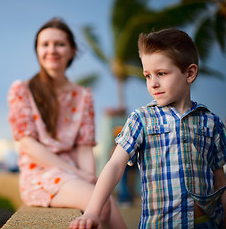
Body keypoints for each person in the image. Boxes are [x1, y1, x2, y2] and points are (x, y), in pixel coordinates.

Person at [70, 28, 226, 229]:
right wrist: (92, 211)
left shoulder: (210, 122)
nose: (153, 83)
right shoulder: (141, 119)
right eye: (147, 75)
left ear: (190, 73)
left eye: (161, 73)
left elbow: (219, 179)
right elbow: (115, 165)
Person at [7, 17, 126, 228]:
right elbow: (28, 144)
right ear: (37, 51)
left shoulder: (83, 96)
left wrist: (90, 177)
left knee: (105, 200)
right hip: (40, 174)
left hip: (74, 175)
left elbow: (84, 146)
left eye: (59, 44)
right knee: (100, 204)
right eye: (45, 44)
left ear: (71, 51)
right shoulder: (22, 90)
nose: (52, 50)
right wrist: (78, 174)